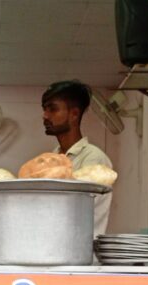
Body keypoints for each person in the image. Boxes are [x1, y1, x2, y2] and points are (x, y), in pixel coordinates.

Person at [41, 79, 114, 236]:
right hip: (54, 245)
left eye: (52, 109)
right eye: (44, 109)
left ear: (74, 114)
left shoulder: (94, 159)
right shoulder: (51, 159)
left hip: (81, 249)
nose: (45, 116)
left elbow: (74, 209)